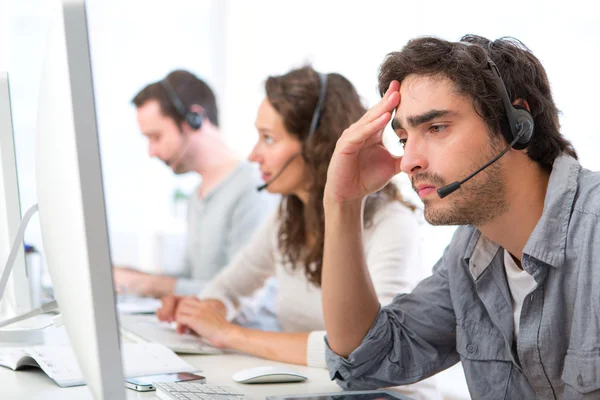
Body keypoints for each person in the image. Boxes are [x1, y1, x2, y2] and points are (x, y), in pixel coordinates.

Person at [322, 34, 599, 399]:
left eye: (436, 128)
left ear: (517, 125)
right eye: (404, 139)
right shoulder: (471, 251)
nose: (408, 162)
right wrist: (342, 202)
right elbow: (368, 360)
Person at [157, 66, 439, 399]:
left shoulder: (390, 222)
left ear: (316, 145)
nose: (253, 155)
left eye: (269, 138)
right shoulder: (288, 215)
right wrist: (203, 310)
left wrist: (229, 334)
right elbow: (232, 286)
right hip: (316, 389)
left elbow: (368, 350)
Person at [114, 70, 277, 298]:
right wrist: (129, 277)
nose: (151, 152)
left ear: (195, 119)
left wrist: (148, 284)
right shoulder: (196, 198)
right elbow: (193, 281)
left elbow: (246, 293)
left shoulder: (255, 187)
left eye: (156, 137)